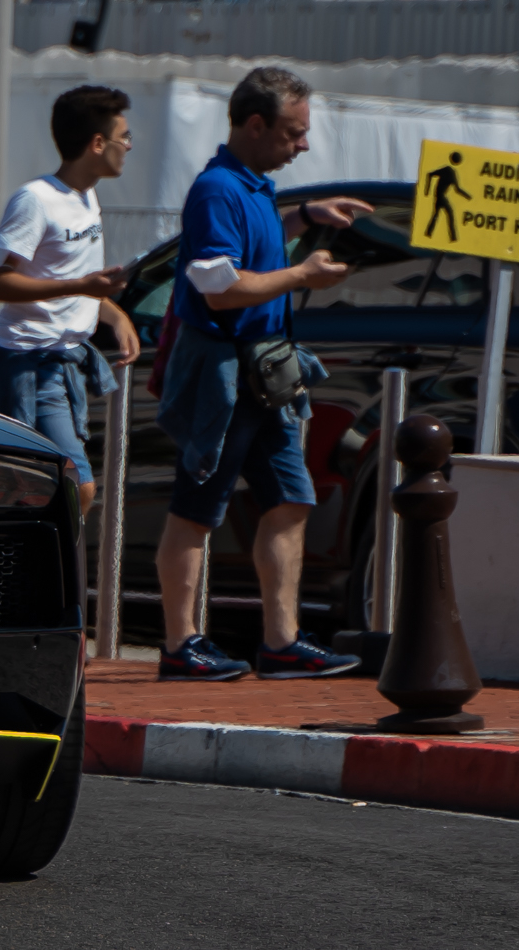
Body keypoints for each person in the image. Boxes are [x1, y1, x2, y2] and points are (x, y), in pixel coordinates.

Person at [155, 66, 374, 681]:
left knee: (291, 499)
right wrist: (303, 275)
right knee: (196, 508)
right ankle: (180, 647)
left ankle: (282, 643)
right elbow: (221, 287)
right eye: (294, 132)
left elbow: (252, 245)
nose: (303, 144)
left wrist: (304, 216)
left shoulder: (251, 187)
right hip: (225, 374)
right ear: (256, 124)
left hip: (265, 375)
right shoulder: (218, 189)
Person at [0, 85, 142, 515]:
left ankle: (30, 577)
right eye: (124, 136)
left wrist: (113, 313)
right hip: (25, 362)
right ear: (96, 143)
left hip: (63, 359)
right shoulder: (36, 200)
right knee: (71, 487)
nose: (129, 145)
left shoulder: (88, 197)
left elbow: (69, 279)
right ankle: (38, 578)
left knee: (46, 490)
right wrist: (82, 288)